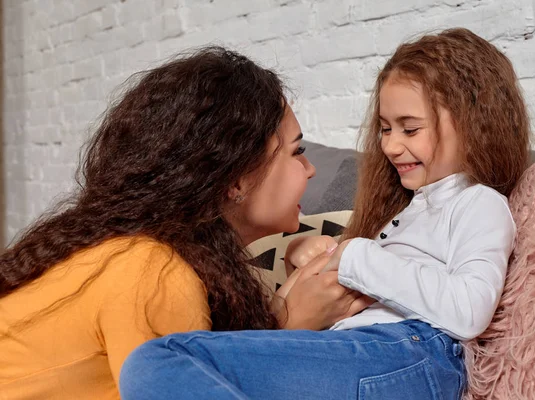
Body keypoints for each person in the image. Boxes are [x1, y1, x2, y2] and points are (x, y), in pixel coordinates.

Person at [118, 28, 531, 400]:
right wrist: (304, 248)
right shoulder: (408, 210)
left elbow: (470, 311)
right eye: (386, 128)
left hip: (412, 351)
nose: (389, 146)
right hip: (363, 351)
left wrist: (354, 257)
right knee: (162, 362)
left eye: (410, 128)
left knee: (159, 361)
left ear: (475, 124)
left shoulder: (479, 203)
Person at [0, 47, 370, 399]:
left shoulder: (135, 249)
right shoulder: (153, 272)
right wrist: (292, 331)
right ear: (236, 178)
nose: (311, 169)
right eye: (297, 152)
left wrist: (286, 302)